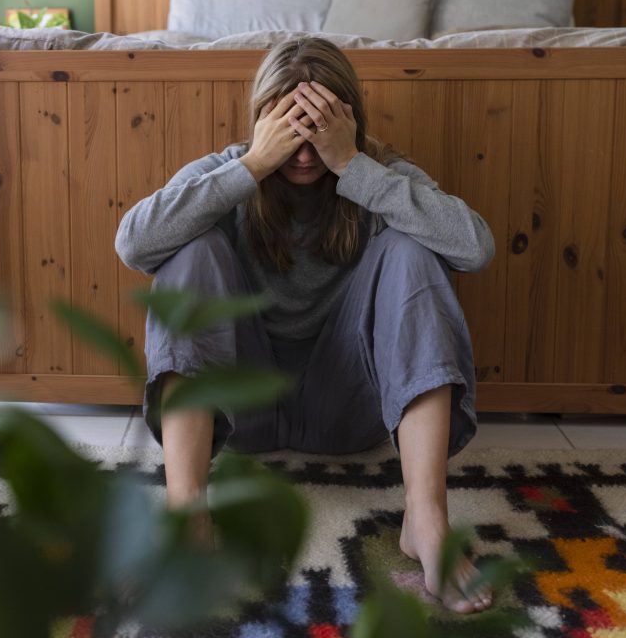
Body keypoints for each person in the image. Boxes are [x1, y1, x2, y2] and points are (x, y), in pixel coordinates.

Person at [113, 37, 495, 613]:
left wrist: (353, 166)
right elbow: (133, 243)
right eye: (290, 124)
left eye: (320, 125)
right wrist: (252, 165)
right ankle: (188, 513)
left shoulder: (378, 172)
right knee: (188, 253)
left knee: (414, 252)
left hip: (349, 407)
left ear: (349, 120)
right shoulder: (230, 168)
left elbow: (476, 248)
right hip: (242, 414)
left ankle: (427, 520)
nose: (305, 148)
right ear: (262, 119)